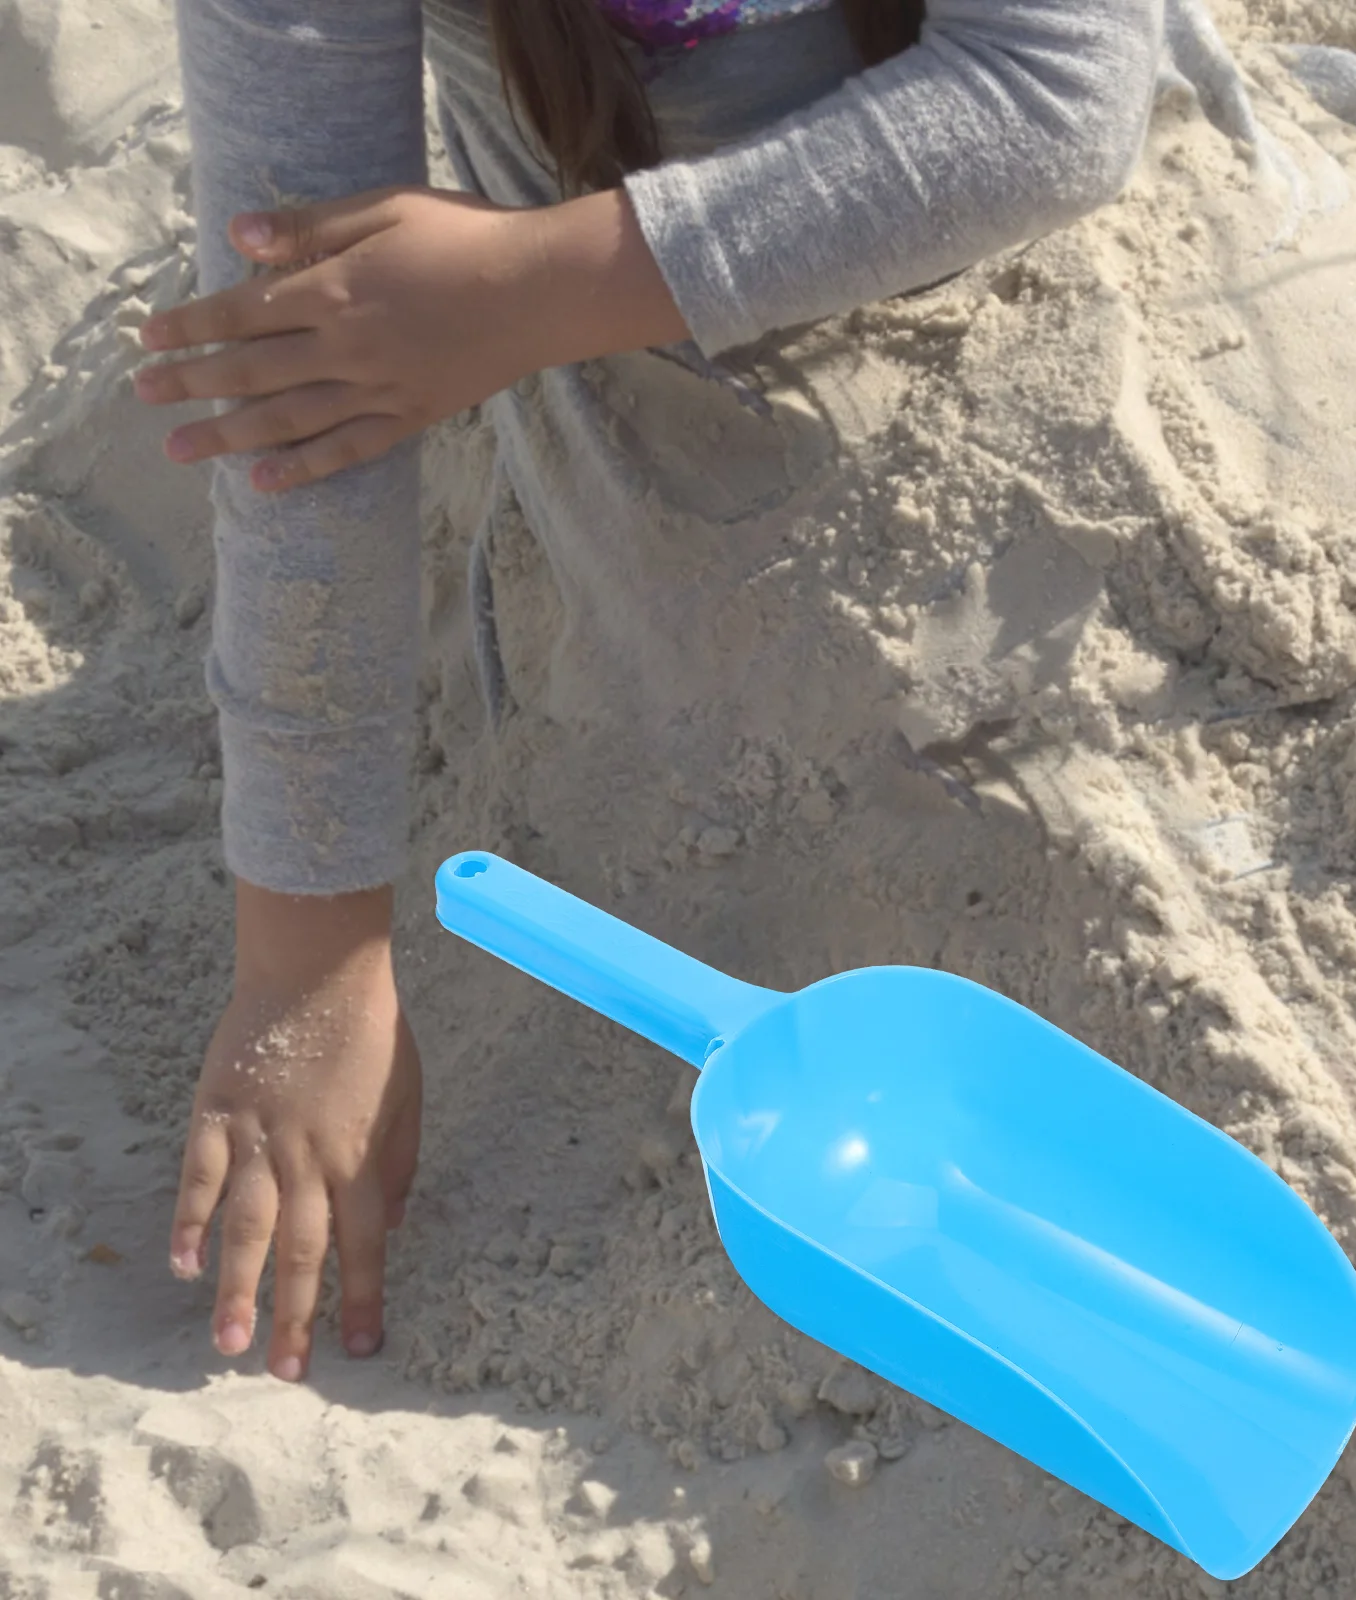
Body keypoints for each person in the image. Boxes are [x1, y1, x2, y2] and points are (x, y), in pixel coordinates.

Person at [133, 0, 1163, 1384]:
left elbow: (1060, 99)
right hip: (616, 289)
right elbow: (293, 366)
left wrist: (519, 289)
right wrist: (306, 957)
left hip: (1000, 222)